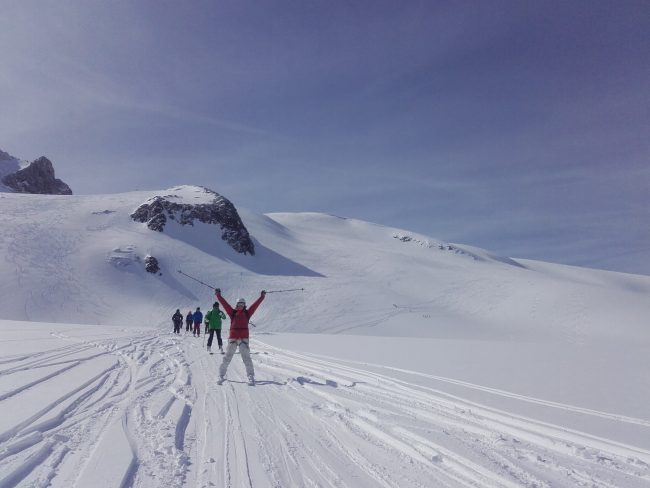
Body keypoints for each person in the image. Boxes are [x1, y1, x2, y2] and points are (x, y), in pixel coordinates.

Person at [215, 288, 265, 385]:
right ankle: (221, 375)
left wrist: (262, 297)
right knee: (227, 358)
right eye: (239, 304)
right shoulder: (232, 312)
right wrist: (218, 295)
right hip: (233, 339)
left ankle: (251, 376)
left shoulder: (248, 313)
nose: (240, 306)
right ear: (237, 304)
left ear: (244, 305)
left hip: (244, 339)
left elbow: (255, 305)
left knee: (246, 358)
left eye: (242, 304)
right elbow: (224, 304)